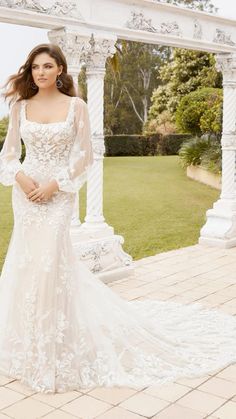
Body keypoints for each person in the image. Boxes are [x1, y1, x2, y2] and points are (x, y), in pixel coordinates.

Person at [0, 43, 236, 394]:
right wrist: (23, 180)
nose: (40, 73)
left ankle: (56, 347)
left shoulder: (76, 107)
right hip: (27, 193)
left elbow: (85, 156)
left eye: (48, 67)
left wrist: (54, 184)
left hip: (58, 193)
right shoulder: (20, 107)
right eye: (35, 67)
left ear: (61, 70)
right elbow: (8, 155)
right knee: (26, 263)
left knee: (51, 263)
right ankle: (25, 343)